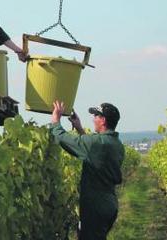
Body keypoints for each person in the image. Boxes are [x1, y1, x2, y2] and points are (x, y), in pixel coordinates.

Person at [51, 100, 125, 240]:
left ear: (103, 120)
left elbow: (63, 139)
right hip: (108, 204)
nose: (93, 119)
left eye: (96, 116)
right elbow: (93, 150)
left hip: (95, 207)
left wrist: (56, 121)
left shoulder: (98, 143)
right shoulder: (116, 144)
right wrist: (79, 128)